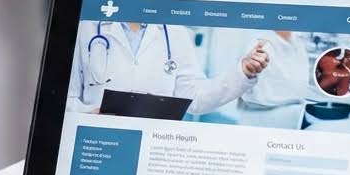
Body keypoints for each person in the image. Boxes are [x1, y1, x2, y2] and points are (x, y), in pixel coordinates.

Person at [67, 21, 269, 113]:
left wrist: (243, 71)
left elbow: (194, 98)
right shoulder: (87, 26)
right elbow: (64, 98)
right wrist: (87, 114)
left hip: (153, 146)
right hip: (97, 141)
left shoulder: (173, 31)